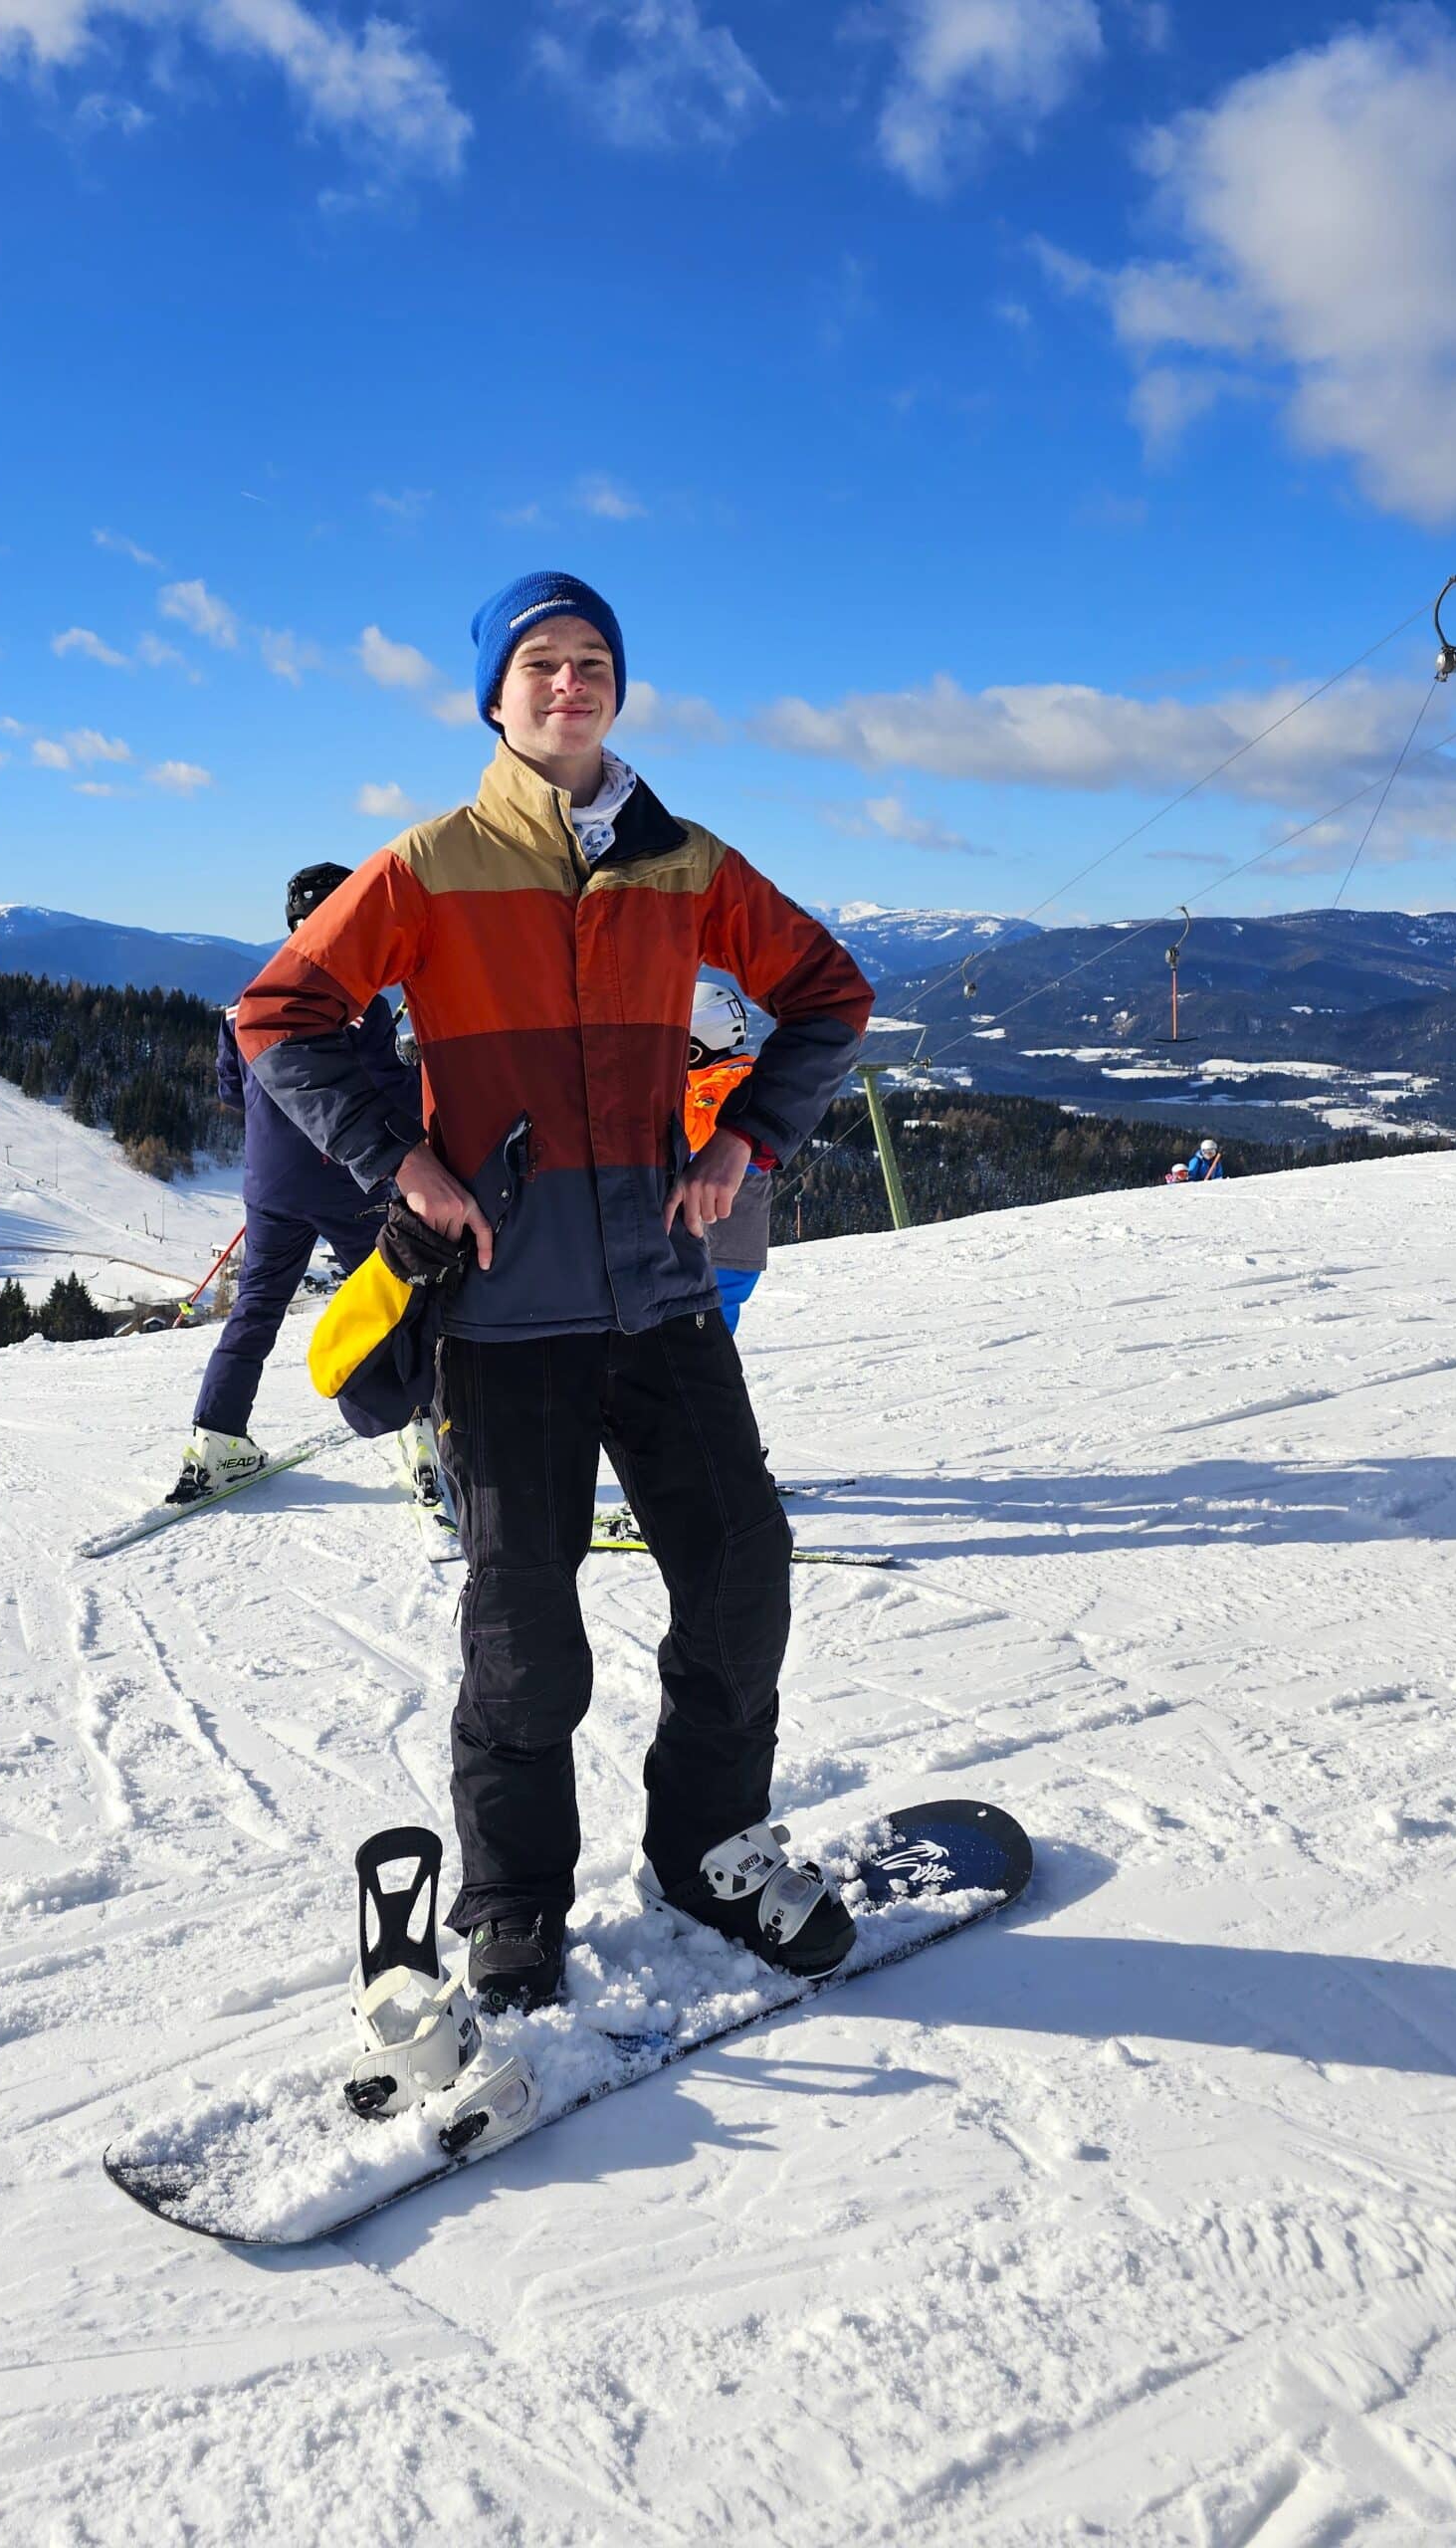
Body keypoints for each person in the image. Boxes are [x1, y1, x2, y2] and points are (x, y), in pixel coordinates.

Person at [237, 569, 876, 2013]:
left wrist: (748, 1141)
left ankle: (710, 1844)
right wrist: (403, 1161)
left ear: (618, 686)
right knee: (523, 1629)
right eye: (541, 662)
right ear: (496, 693)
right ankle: (516, 1901)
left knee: (740, 1571)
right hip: (504, 1312)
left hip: (661, 1293)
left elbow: (829, 992)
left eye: (591, 660)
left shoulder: (683, 862)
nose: (570, 682)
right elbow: (279, 1014)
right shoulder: (433, 864)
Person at [166, 864, 423, 1505]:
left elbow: (234, 1090)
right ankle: (425, 1437)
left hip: (270, 1187)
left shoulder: (248, 999)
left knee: (256, 1308)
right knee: (398, 1304)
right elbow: (394, 1095)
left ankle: (215, 1441)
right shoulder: (361, 1002)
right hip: (352, 1184)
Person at [684, 980, 772, 1332]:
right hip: (719, 1232)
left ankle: (706, 1383)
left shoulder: (729, 1080)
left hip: (724, 1235)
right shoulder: (714, 1077)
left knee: (709, 1323)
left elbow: (699, 1132)